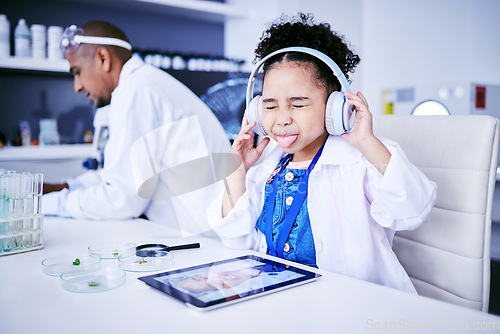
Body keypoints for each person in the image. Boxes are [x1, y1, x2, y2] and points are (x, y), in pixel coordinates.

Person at [207, 13, 437, 293]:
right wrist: (237, 173)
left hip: (355, 304)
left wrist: (367, 142)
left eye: (298, 104)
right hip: (285, 300)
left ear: (335, 107)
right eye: (269, 106)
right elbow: (239, 245)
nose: (281, 119)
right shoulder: (268, 167)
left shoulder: (359, 160)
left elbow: (413, 209)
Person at [43, 21, 230, 232]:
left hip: (203, 243)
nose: (77, 86)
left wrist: (46, 204)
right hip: (195, 232)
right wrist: (63, 188)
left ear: (103, 59)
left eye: (77, 72)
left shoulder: (135, 91)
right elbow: (119, 175)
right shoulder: (143, 83)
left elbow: (122, 199)